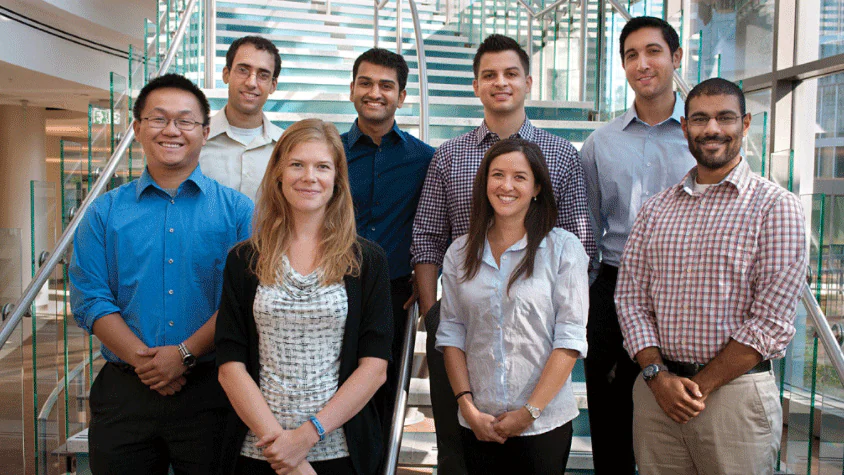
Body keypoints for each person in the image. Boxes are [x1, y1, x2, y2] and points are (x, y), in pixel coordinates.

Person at [411, 33, 594, 473]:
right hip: (465, 329)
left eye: (510, 73)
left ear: (528, 82)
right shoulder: (449, 155)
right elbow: (427, 238)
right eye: (488, 75)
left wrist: (546, 311)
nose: (500, 82)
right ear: (475, 85)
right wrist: (436, 316)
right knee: (459, 460)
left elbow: (578, 246)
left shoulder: (562, 156)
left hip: (536, 332)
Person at [615, 78, 807, 475]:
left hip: (734, 399)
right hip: (657, 396)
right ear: (684, 127)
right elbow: (630, 300)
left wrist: (693, 389)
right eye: (700, 119)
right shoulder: (655, 210)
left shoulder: (776, 208)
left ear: (746, 124)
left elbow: (770, 322)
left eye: (725, 118)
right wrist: (657, 376)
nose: (712, 129)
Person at [69, 74, 254, 474]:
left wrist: (184, 355)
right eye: (158, 119)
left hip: (213, 390)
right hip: (124, 394)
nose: (172, 130)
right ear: (137, 129)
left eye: (185, 121)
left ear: (205, 132)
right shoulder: (103, 213)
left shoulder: (240, 213)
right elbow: (90, 298)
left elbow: (244, 303)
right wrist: (149, 363)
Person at [215, 118, 394, 475]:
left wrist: (305, 438)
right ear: (279, 173)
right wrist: (283, 450)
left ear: (337, 179)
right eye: (297, 164)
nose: (309, 176)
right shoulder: (244, 259)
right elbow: (230, 366)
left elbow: (374, 368)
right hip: (260, 451)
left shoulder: (367, 260)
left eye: (322, 166)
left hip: (341, 452)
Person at [578, 16, 695, 475]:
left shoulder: (698, 137)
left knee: (683, 416)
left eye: (653, 51)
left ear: (676, 58)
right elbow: (587, 228)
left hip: (686, 291)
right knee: (610, 423)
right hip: (613, 287)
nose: (642, 63)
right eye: (631, 55)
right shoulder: (600, 143)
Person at [436, 138, 588, 474]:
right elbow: (451, 333)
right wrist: (468, 407)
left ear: (536, 187)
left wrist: (528, 413)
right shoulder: (459, 253)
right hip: (479, 422)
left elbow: (570, 339)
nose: (507, 186)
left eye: (520, 177)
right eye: (497, 175)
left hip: (543, 423)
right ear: (484, 182)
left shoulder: (563, 249)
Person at [341, 47, 435, 444]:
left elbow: (436, 225)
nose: (374, 92)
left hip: (395, 294)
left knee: (383, 396)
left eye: (386, 85)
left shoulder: (425, 158)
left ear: (402, 95)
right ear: (351, 89)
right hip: (332, 285)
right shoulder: (330, 152)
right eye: (365, 82)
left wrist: (428, 275)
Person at [200, 35, 283, 202]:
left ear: (273, 85)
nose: (251, 82)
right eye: (243, 70)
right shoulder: (195, 141)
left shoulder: (286, 147)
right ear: (226, 74)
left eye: (263, 75)